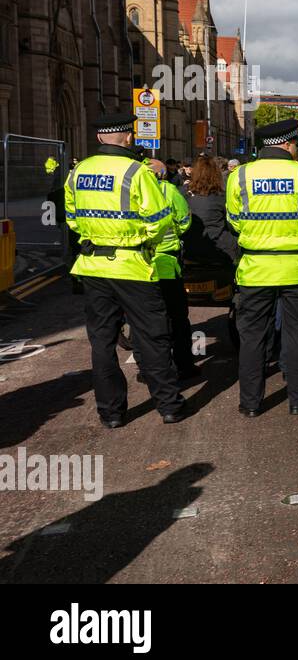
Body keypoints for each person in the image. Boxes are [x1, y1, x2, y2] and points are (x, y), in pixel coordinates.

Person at [65, 112, 184, 428]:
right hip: (132, 266)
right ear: (128, 137)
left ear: (100, 138)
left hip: (92, 266)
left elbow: (72, 219)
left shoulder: (78, 172)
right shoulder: (137, 172)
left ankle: (111, 412)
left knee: (102, 341)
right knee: (152, 337)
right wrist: (138, 240)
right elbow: (160, 221)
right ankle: (169, 406)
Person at [226, 119, 298, 417]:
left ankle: (250, 403)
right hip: (296, 266)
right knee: (297, 334)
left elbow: (234, 220)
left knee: (251, 336)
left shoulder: (239, 175)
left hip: (254, 267)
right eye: (296, 145)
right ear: (289, 144)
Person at [146, 158, 199, 381]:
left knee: (148, 321)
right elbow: (185, 220)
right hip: (167, 262)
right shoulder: (169, 190)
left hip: (140, 263)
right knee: (177, 318)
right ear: (162, 176)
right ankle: (184, 366)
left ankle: (150, 370)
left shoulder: (130, 189)